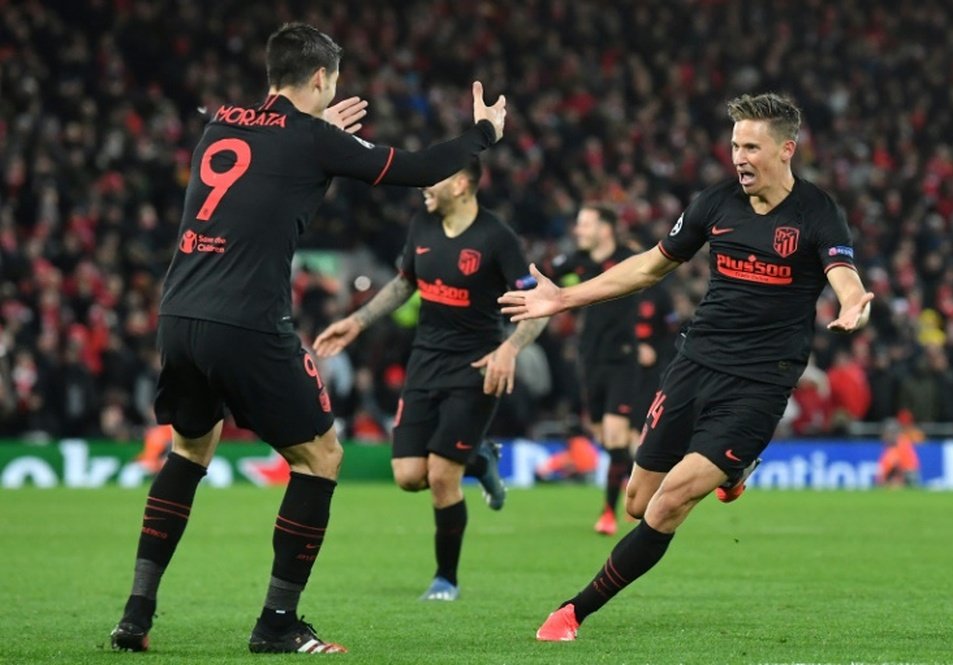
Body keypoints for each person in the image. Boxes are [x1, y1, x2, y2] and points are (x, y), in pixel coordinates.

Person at [109, 22, 506, 654]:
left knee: (188, 451)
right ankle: (277, 622)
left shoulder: (222, 123)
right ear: (321, 79)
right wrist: (483, 133)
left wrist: (323, 139)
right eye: (333, 82)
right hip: (247, 322)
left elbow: (270, 163)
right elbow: (419, 168)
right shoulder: (313, 139)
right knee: (320, 458)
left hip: (180, 315)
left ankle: (135, 615)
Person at [499, 92, 873, 641]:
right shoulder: (714, 203)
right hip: (694, 364)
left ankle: (571, 612)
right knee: (637, 503)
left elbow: (845, 276)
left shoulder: (818, 212)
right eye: (734, 146)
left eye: (751, 147)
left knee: (671, 501)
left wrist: (852, 302)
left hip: (761, 381)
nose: (739, 157)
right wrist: (563, 299)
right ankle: (736, 472)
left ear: (786, 150)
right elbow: (648, 268)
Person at [313, 158, 548, 602]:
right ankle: (480, 460)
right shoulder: (422, 223)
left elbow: (538, 303)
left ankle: (446, 580)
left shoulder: (497, 238)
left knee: (442, 477)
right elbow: (405, 284)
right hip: (425, 363)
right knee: (407, 476)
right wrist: (357, 322)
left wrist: (510, 348)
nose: (423, 185)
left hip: (475, 368)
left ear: (460, 184)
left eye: (433, 178)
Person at [551, 205, 640, 535]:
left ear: (606, 229)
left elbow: (655, 287)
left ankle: (608, 513)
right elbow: (545, 279)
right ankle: (636, 481)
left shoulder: (630, 258)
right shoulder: (575, 262)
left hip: (622, 359)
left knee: (617, 435)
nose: (578, 230)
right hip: (590, 360)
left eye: (585, 224)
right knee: (607, 439)